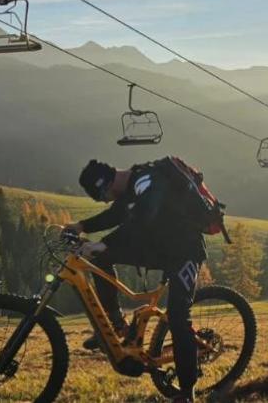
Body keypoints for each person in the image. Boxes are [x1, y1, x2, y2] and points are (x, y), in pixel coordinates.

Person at [66, 159, 206, 402]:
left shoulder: (147, 179)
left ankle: (187, 392)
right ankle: (116, 325)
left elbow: (143, 217)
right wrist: (80, 226)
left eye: (103, 197)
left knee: (177, 318)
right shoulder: (130, 188)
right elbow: (115, 215)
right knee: (100, 259)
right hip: (161, 250)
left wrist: (104, 242)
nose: (107, 201)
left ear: (106, 185)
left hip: (185, 252)